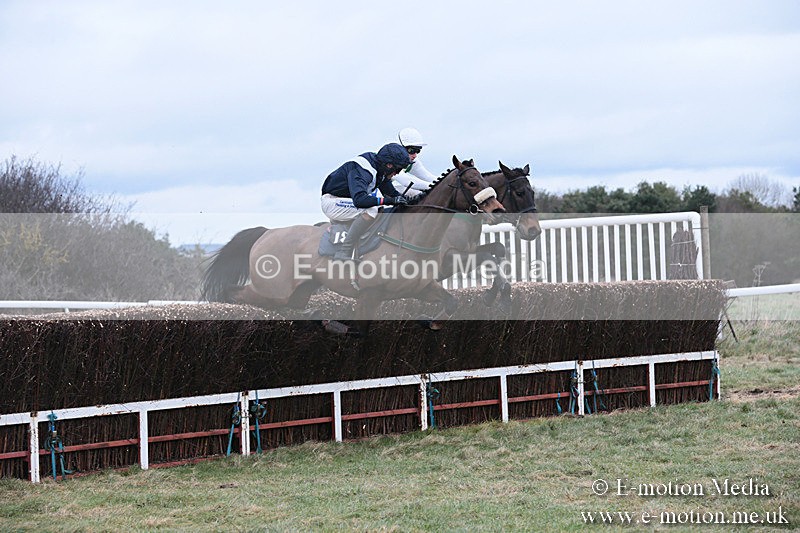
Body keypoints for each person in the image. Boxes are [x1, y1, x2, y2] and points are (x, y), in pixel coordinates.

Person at [321, 142, 411, 261]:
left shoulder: (381, 169)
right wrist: (389, 200)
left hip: (347, 201)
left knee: (377, 207)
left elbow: (392, 194)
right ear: (389, 165)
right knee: (371, 209)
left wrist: (410, 201)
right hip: (333, 202)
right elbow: (360, 200)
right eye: (398, 169)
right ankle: (344, 252)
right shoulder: (364, 170)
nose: (397, 173)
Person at [392, 127, 438, 198]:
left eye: (418, 151)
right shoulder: (392, 159)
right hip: (376, 191)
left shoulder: (413, 161)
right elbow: (406, 181)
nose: (415, 155)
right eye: (412, 150)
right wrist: (435, 186)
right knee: (415, 193)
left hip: (391, 190)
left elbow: (428, 176)